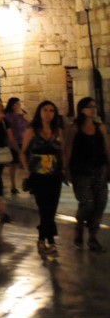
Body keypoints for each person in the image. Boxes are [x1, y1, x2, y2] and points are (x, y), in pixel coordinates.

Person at [19, 101, 64, 261]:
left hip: (55, 175)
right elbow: (23, 152)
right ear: (39, 112)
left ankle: (41, 238)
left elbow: (62, 152)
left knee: (51, 209)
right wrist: (27, 170)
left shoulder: (58, 131)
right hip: (38, 175)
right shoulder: (32, 131)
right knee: (44, 207)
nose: (48, 113)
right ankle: (51, 242)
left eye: (52, 110)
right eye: (45, 110)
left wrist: (64, 169)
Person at [64, 97, 109, 252]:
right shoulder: (75, 128)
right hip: (81, 171)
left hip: (99, 169)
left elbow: (106, 147)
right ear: (82, 109)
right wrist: (66, 169)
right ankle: (79, 227)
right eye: (89, 106)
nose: (93, 109)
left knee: (101, 202)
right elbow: (68, 149)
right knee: (87, 203)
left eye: (95, 106)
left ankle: (92, 237)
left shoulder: (100, 127)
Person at [4, 98, 29, 194]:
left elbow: (30, 123)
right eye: (18, 103)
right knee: (14, 164)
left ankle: (28, 183)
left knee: (23, 163)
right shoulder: (8, 116)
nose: (20, 105)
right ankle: (13, 185)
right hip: (14, 142)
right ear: (13, 105)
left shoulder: (22, 115)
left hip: (24, 141)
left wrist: (25, 114)